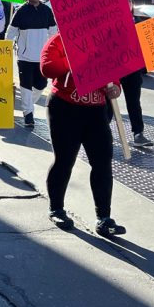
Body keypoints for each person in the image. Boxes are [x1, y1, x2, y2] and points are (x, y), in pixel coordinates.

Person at [40, 32, 126, 236]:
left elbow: (114, 74)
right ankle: (56, 209)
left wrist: (116, 87)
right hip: (64, 107)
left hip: (96, 110)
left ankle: (104, 218)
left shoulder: (105, 41)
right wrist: (76, 57)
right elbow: (47, 68)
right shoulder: (59, 39)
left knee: (103, 162)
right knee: (64, 160)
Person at [6, 0, 56, 128]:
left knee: (41, 85)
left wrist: (53, 50)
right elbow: (11, 32)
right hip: (24, 57)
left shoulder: (46, 11)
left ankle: (28, 104)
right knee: (26, 85)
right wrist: (5, 48)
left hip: (42, 58)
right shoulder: (20, 11)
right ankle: (28, 114)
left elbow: (53, 32)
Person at [113, 0, 154, 147]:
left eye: (129, 1)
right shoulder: (110, 23)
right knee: (109, 101)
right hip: (113, 68)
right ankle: (104, 131)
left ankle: (138, 133)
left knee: (134, 102)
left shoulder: (141, 22)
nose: (127, 3)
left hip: (132, 69)